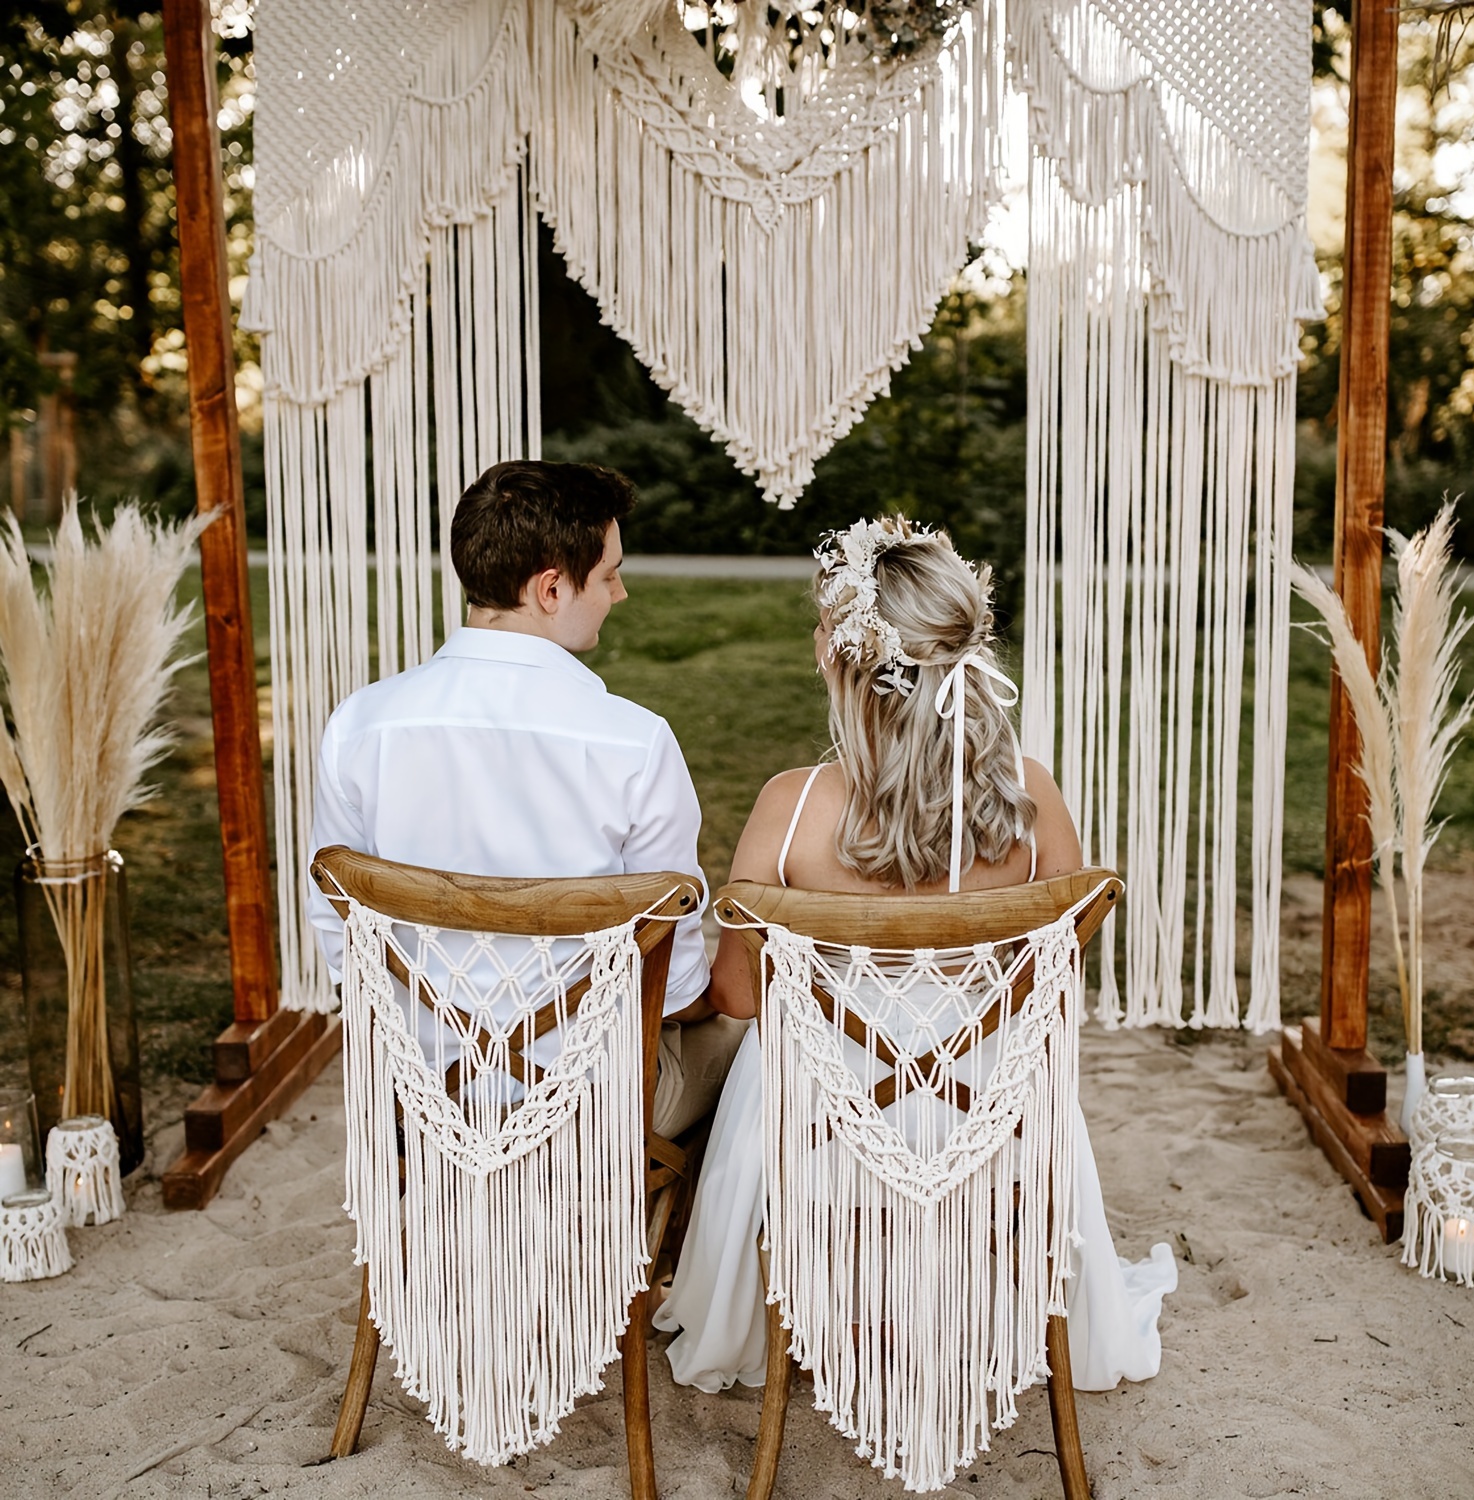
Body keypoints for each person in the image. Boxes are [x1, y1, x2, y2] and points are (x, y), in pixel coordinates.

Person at [655, 515, 1176, 1390]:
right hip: (987, 1109)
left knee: (735, 1070)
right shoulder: (1031, 797)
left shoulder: (791, 809)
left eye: (825, 627)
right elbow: (1053, 986)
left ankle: (813, 1298)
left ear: (845, 660)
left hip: (820, 1115)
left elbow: (739, 997)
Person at [306, 459, 744, 1135]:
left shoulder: (359, 726)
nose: (618, 594)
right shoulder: (635, 744)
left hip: (421, 1093)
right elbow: (678, 989)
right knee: (752, 1047)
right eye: (607, 575)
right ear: (550, 589)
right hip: (593, 1104)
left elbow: (341, 940)